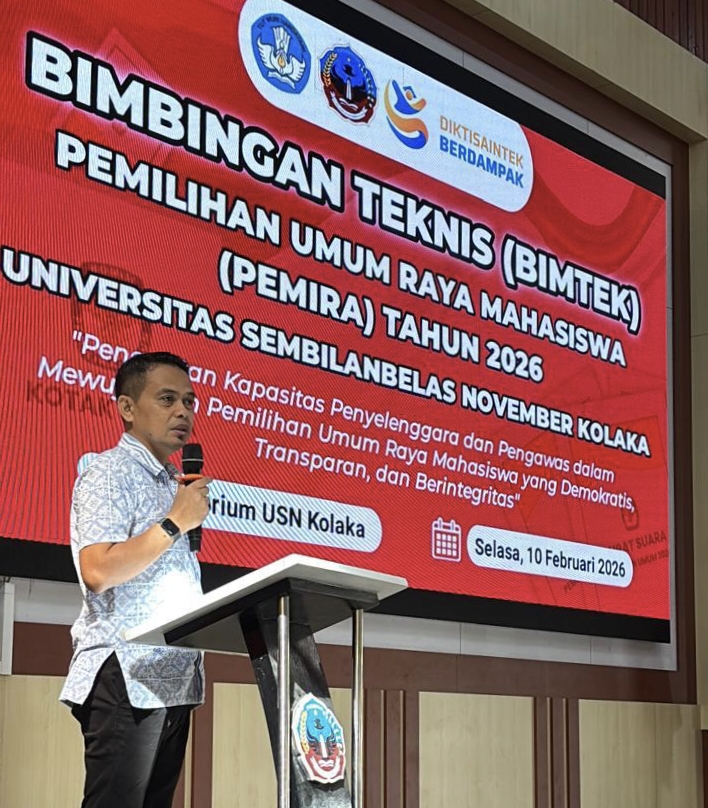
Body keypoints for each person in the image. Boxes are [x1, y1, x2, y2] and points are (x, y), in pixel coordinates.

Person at [60, 351, 212, 808]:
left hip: (172, 676)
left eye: (188, 401)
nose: (182, 411)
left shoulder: (173, 484)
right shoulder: (109, 473)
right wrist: (174, 524)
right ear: (127, 407)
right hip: (124, 673)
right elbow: (99, 571)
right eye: (167, 399)